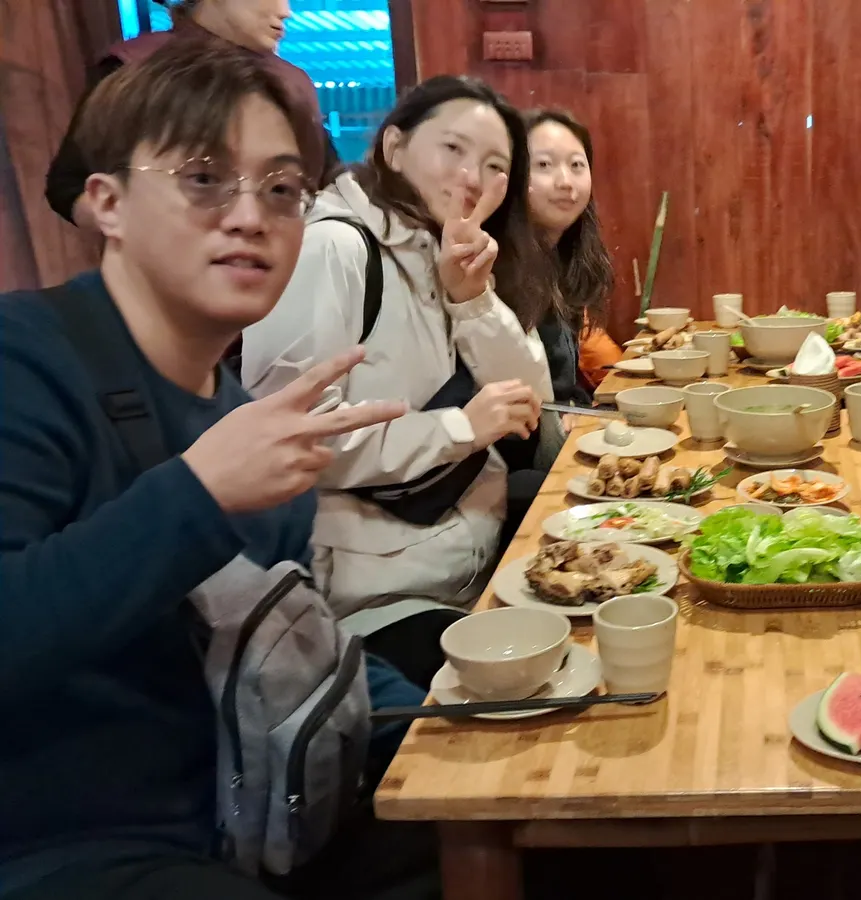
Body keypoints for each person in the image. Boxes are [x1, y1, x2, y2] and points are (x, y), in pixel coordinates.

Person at [0, 41, 433, 900]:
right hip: (63, 848)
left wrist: (440, 730)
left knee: (532, 839)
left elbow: (287, 642)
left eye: (281, 189)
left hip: (256, 816)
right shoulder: (25, 360)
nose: (249, 216)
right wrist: (197, 494)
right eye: (203, 178)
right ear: (107, 202)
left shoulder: (247, 421)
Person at [241, 76, 555, 685]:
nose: (471, 176)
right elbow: (288, 441)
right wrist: (457, 429)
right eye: (453, 149)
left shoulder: (453, 250)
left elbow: (531, 399)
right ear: (394, 146)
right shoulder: (333, 248)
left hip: (463, 569)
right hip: (370, 603)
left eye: (495, 165)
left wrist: (471, 300)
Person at [45, 0, 337, 232]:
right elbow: (70, 185)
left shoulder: (292, 83)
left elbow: (328, 182)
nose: (285, 11)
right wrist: (154, 233)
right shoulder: (136, 68)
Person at [523, 107, 622, 407]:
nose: (565, 181)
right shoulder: (500, 268)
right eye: (544, 165)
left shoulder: (567, 260)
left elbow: (561, 387)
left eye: (577, 165)